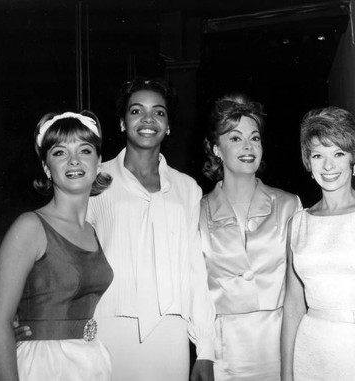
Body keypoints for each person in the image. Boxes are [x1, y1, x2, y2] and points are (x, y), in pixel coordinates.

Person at [86, 77, 215, 381]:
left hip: (170, 331)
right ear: (121, 122)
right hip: (108, 327)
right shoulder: (94, 179)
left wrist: (205, 349)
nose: (147, 119)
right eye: (136, 111)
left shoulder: (187, 188)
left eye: (158, 112)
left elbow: (195, 270)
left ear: (168, 125)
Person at [0, 111, 114, 381]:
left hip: (91, 362)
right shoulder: (30, 226)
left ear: (99, 162)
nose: (74, 161)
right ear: (46, 167)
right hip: (45, 366)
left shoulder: (93, 230)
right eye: (60, 152)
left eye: (85, 150)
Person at [281, 106, 355, 381]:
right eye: (318, 155)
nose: (328, 166)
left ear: (354, 158)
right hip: (312, 349)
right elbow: (294, 304)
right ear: (308, 162)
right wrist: (286, 373)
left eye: (339, 154)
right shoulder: (298, 223)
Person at [199, 94, 302, 380]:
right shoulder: (196, 211)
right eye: (235, 138)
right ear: (216, 149)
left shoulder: (288, 204)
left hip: (281, 346)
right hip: (223, 354)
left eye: (254, 138)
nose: (248, 146)